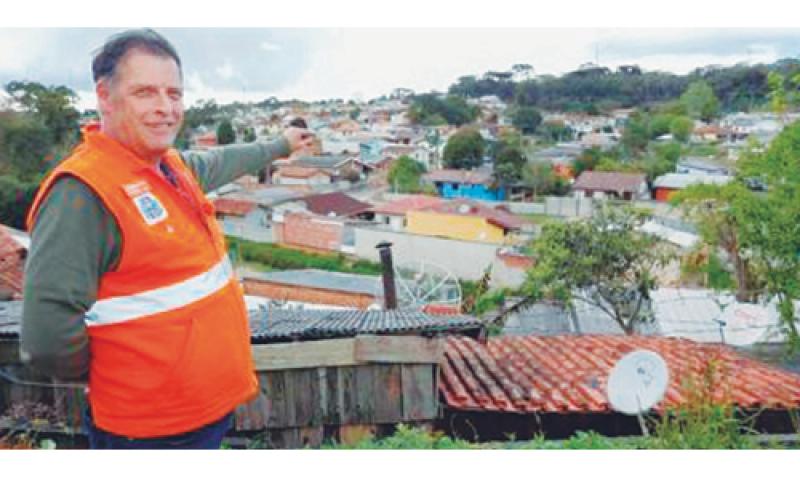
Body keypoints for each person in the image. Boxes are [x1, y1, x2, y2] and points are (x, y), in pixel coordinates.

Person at [20, 29, 315, 449]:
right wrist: (113, 372)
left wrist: (280, 144)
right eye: (145, 93)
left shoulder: (169, 167)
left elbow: (225, 160)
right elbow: (47, 336)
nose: (165, 108)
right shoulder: (82, 192)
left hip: (204, 410)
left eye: (174, 94)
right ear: (105, 96)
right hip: (151, 430)